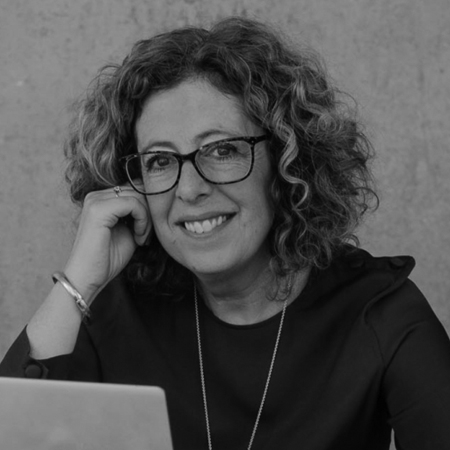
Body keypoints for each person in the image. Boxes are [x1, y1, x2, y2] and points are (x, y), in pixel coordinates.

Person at [1, 16, 450, 450]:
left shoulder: (379, 314)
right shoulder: (116, 312)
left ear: (287, 162)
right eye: (160, 161)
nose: (190, 189)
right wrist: (78, 282)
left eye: (221, 150)